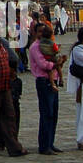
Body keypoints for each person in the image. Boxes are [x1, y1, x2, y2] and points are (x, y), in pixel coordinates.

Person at [28, 24, 62, 154]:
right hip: (43, 81)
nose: (42, 34)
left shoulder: (48, 44)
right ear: (35, 33)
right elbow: (43, 64)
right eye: (40, 32)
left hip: (53, 79)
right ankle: (44, 145)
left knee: (53, 114)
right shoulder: (36, 47)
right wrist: (55, 64)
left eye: (44, 31)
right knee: (46, 113)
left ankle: (50, 142)